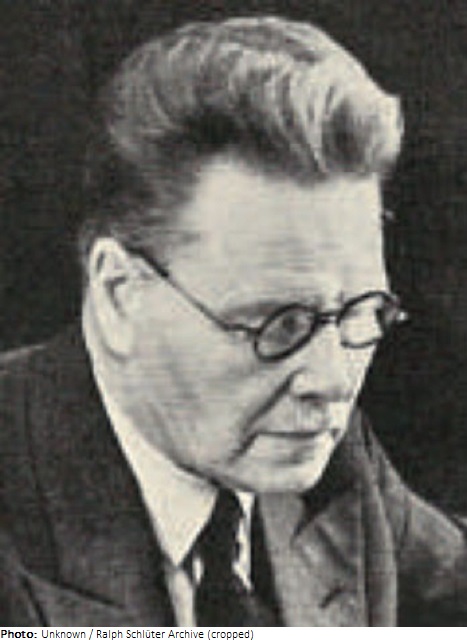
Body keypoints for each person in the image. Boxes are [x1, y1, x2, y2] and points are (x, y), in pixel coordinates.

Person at [1, 16, 466, 627]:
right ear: (119, 294)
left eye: (361, 311)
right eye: (280, 324)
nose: (332, 381)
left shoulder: (332, 465)